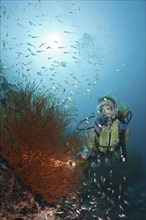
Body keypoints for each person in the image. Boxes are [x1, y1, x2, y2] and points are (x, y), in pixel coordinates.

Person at [80, 95, 132, 167]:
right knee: (81, 164)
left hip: (112, 153)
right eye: (102, 110)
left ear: (115, 110)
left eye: (109, 108)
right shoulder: (95, 129)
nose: (106, 112)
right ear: (100, 113)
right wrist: (86, 152)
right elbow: (89, 145)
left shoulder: (122, 127)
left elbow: (124, 139)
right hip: (98, 154)